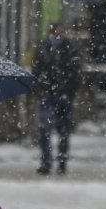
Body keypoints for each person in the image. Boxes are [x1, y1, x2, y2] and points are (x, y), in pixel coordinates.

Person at [32, 23, 82, 175]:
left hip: (60, 94)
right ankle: (51, 163)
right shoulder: (46, 48)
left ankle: (58, 163)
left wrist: (68, 91)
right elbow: (37, 70)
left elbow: (75, 73)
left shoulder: (67, 49)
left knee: (60, 131)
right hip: (50, 94)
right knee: (49, 131)